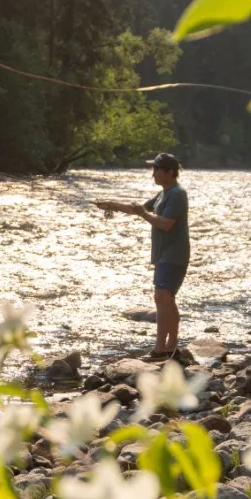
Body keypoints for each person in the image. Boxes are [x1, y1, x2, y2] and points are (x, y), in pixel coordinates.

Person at [94, 153, 190, 361]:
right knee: (165, 298)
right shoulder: (163, 194)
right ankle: (172, 347)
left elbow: (166, 223)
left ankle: (160, 350)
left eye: (156, 169)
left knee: (162, 297)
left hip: (173, 255)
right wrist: (111, 204)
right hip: (165, 255)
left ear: (169, 172)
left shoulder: (177, 194)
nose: (152, 174)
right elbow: (136, 209)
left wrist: (143, 215)